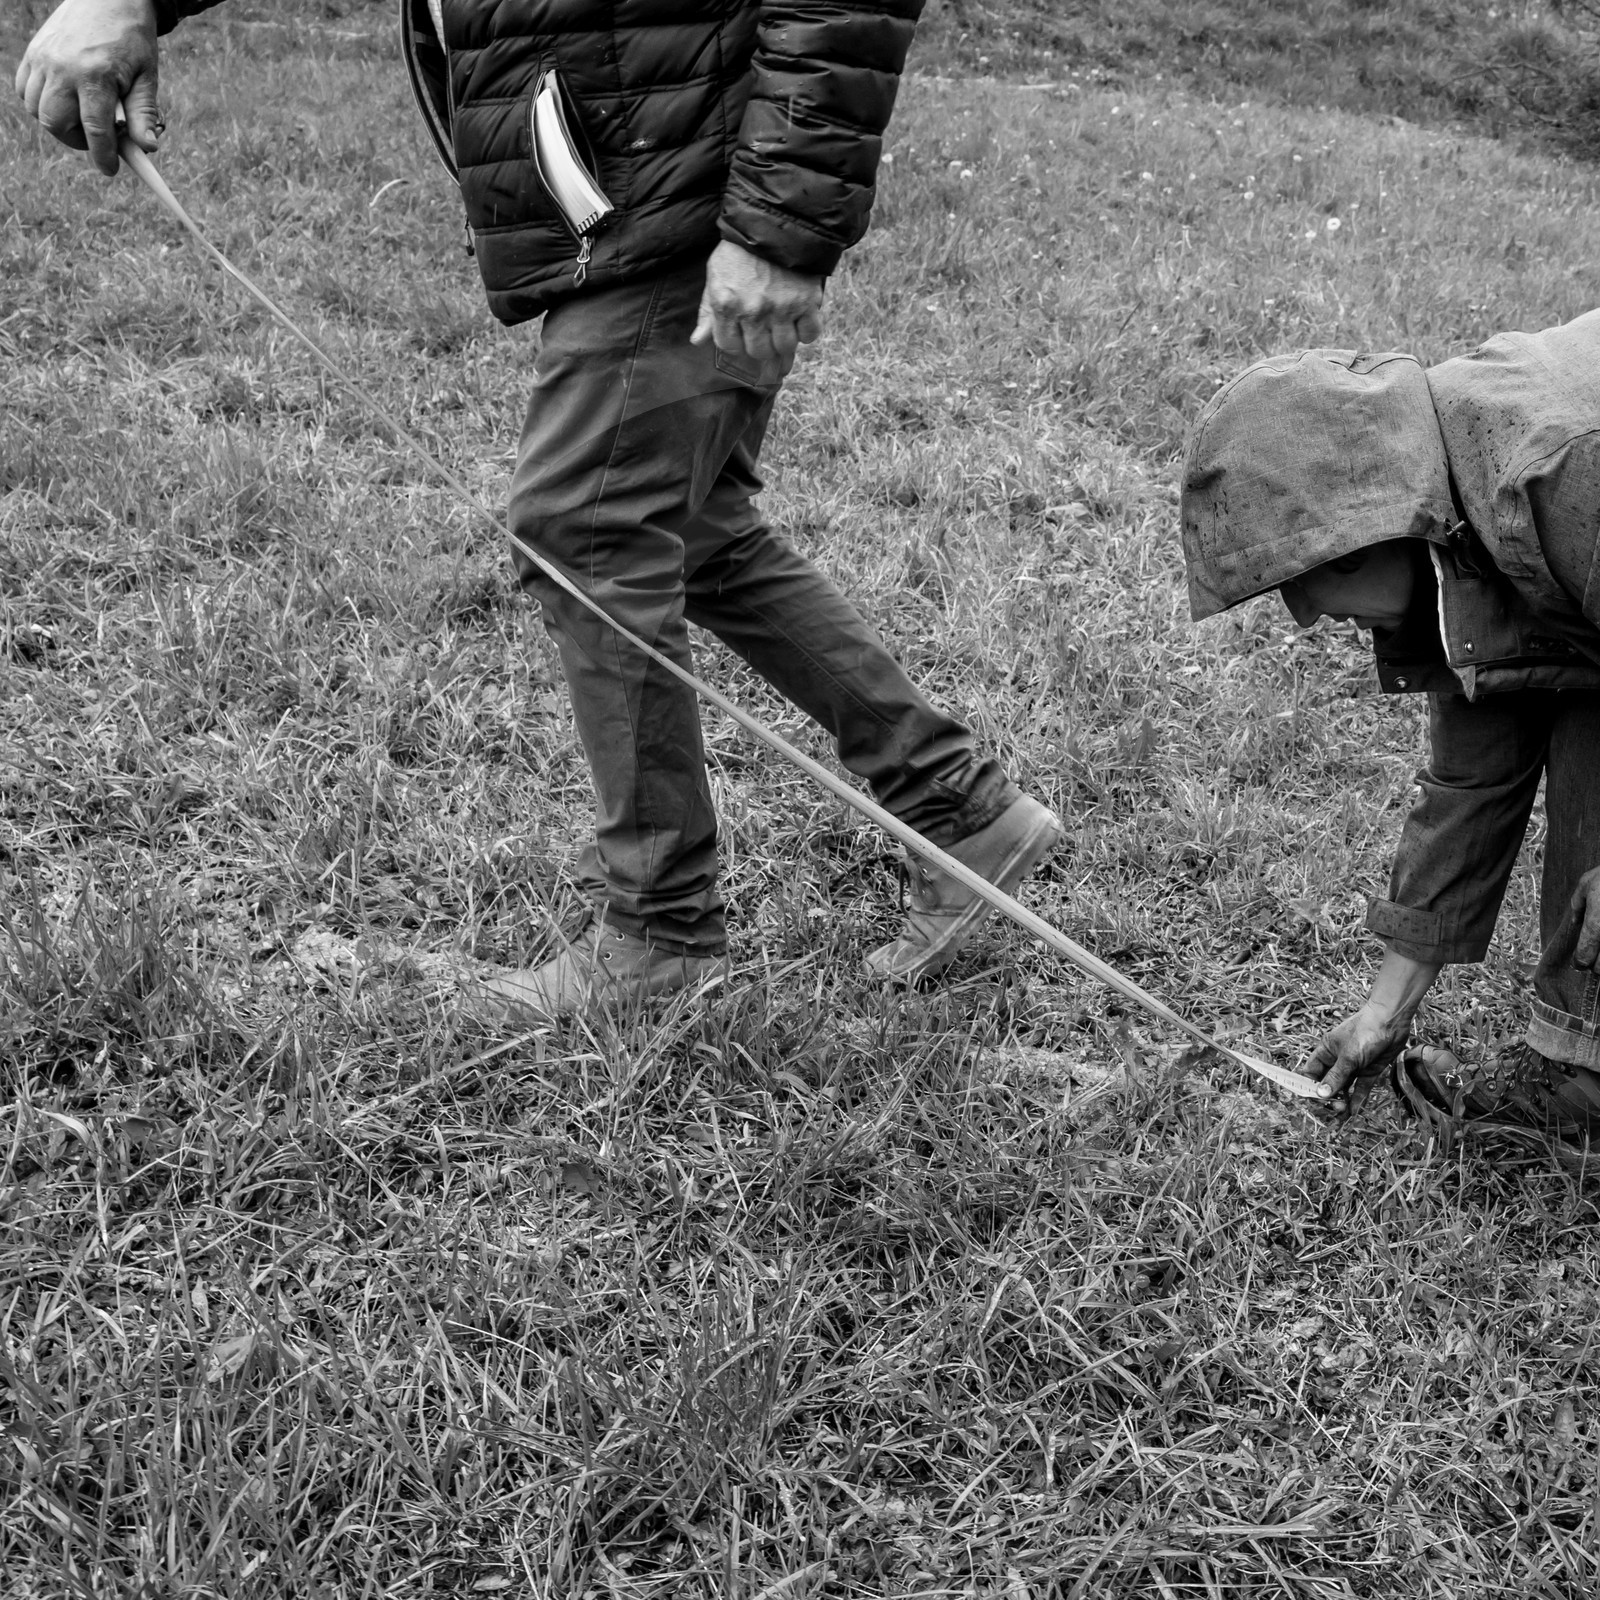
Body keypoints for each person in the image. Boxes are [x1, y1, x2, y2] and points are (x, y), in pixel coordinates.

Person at [17, 0, 1062, 1023]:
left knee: (589, 528)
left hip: (679, 158)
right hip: (635, 147)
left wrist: (781, 230)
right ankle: (958, 807)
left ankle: (659, 935)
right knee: (681, 526)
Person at [1179, 312, 1600, 1150]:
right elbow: (1472, 785)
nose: (1301, 615)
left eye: (1302, 579)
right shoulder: (1459, 518)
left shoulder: (1561, 478)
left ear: (1369, 529)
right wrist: (1386, 1008)